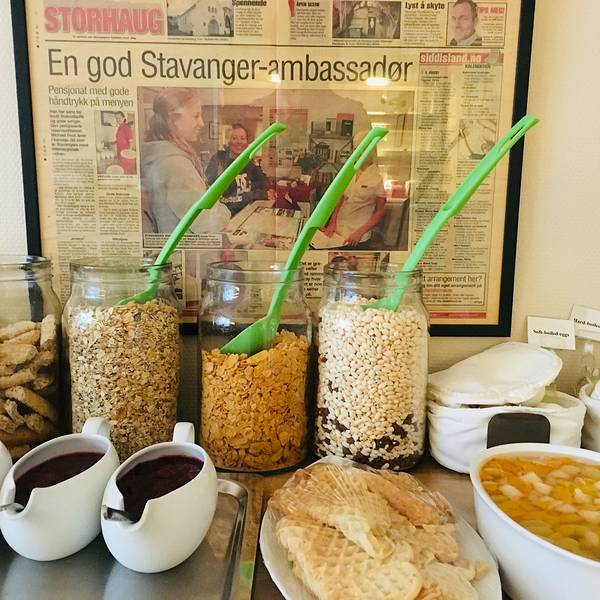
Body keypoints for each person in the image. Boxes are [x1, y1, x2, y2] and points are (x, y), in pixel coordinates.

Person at [141, 88, 230, 235]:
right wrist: (223, 210)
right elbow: (208, 223)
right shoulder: (176, 165)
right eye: (196, 116)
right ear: (173, 119)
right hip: (185, 247)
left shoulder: (158, 155)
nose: (201, 123)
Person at [321, 134, 386, 249]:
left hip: (357, 237)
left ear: (371, 151)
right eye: (356, 149)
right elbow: (341, 198)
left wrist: (360, 232)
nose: (358, 153)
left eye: (362, 149)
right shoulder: (349, 171)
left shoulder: (378, 177)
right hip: (338, 231)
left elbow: (380, 211)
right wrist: (332, 222)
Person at [205, 124, 269, 216]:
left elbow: (265, 184)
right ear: (229, 141)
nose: (239, 142)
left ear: (247, 143)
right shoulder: (219, 160)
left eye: (243, 138)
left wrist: (254, 194)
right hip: (223, 216)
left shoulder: (249, 163)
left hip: (245, 215)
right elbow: (223, 196)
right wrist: (252, 195)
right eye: (234, 138)